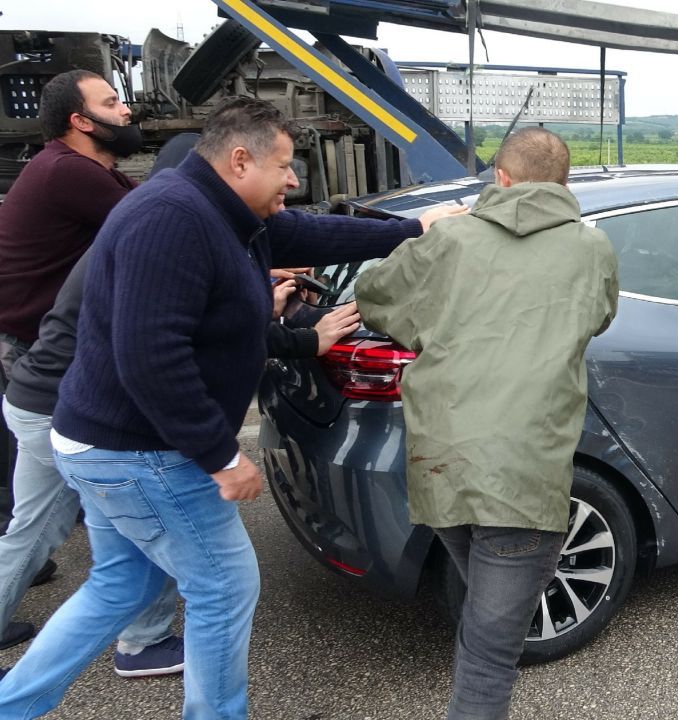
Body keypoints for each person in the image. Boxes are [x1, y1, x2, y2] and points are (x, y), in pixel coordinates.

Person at [0, 96, 464, 719]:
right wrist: (220, 457)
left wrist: (410, 228)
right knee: (223, 585)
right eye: (285, 166)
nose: (295, 180)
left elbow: (307, 231)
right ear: (240, 160)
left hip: (107, 444)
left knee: (120, 584)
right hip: (140, 453)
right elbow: (151, 357)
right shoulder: (171, 219)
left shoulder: (216, 209)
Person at [356, 127, 618, 719]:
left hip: (442, 465)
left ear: (499, 177)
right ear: (563, 183)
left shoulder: (449, 238)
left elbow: (376, 297)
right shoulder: (592, 248)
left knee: (485, 605)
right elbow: (599, 317)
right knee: (489, 650)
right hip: (526, 474)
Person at [0, 69, 139, 650]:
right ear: (80, 122)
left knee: (37, 517)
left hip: (31, 358)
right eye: (111, 102)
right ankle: (143, 639)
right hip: (50, 366)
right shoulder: (72, 174)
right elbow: (165, 225)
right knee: (109, 512)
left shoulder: (70, 168)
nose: (126, 109)